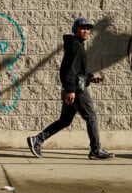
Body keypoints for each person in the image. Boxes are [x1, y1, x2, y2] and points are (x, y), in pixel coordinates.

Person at [27, 17, 115, 160]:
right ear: (75, 30)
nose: (86, 31)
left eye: (88, 29)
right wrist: (70, 90)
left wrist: (89, 77)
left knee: (65, 120)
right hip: (76, 90)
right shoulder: (76, 46)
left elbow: (76, 70)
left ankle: (37, 139)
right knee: (91, 116)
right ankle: (96, 150)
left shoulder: (76, 45)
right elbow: (69, 71)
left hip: (73, 88)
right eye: (82, 28)